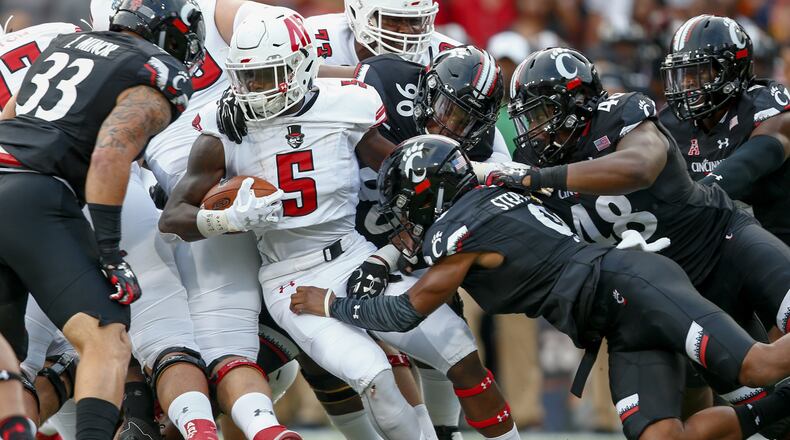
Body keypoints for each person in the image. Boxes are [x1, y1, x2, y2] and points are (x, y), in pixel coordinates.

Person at [290, 134, 790, 440]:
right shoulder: (491, 195)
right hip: (616, 319)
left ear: (428, 193)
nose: (402, 214)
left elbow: (402, 314)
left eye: (406, 200)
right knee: (662, 436)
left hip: (628, 287)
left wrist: (331, 302)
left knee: (759, 364)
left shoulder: (457, 232)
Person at [160, 8, 423, 440]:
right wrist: (222, 217)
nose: (256, 90)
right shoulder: (223, 123)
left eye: (269, 75)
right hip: (279, 270)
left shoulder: (341, 98)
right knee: (317, 366)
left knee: (428, 349)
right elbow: (174, 217)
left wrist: (402, 239)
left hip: (351, 241)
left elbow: (398, 164)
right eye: (248, 79)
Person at [0, 0, 203, 438]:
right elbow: (111, 155)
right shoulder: (157, 69)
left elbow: (10, 119)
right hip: (34, 193)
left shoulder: (63, 43)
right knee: (106, 338)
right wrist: (110, 253)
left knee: (8, 356)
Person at [659, 15, 790, 246]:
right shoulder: (670, 121)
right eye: (682, 73)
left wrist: (687, 203)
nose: (687, 83)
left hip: (778, 242)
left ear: (732, 69)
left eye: (699, 72)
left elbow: (744, 168)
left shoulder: (768, 109)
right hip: (715, 250)